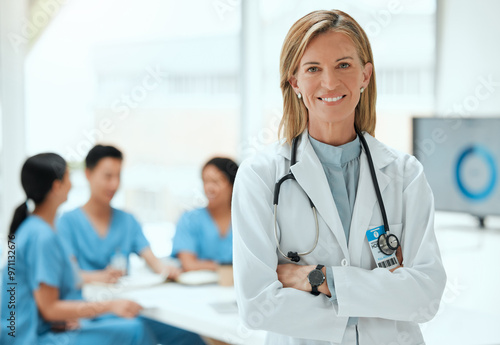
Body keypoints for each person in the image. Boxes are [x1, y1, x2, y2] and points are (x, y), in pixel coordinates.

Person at [231, 10, 447, 345]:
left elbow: (426, 295)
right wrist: (380, 297)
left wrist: (320, 279)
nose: (330, 83)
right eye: (313, 68)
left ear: (365, 75)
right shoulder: (260, 177)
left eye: (344, 65)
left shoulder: (405, 174)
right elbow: (258, 304)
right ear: (295, 82)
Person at [57, 145, 206, 345]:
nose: (114, 184)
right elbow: (67, 274)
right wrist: (97, 277)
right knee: (138, 331)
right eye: (108, 176)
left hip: (124, 305)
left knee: (186, 335)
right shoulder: (67, 222)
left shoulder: (128, 220)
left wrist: (166, 269)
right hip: (91, 309)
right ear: (88, 174)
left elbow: (152, 259)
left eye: (118, 176)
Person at [0, 153, 154, 345]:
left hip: (33, 330)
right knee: (134, 330)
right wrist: (111, 305)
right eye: (68, 178)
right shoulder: (42, 236)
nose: (72, 184)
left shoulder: (31, 228)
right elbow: (49, 309)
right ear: (57, 187)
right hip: (32, 339)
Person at [172, 157, 238, 271]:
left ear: (233, 185)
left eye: (216, 182)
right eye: (205, 181)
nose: (209, 188)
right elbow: (189, 264)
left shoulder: (245, 220)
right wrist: (228, 268)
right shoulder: (189, 219)